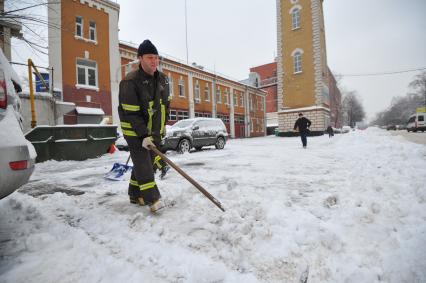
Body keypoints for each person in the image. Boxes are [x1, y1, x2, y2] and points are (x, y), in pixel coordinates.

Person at [118, 39, 171, 213]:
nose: (154, 61)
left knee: (148, 161)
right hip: (134, 131)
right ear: (140, 58)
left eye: (156, 57)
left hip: (153, 130)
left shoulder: (163, 80)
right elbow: (132, 114)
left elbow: (165, 107)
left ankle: (134, 193)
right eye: (150, 57)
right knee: (143, 162)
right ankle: (153, 199)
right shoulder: (130, 82)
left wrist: (160, 129)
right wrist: (143, 136)